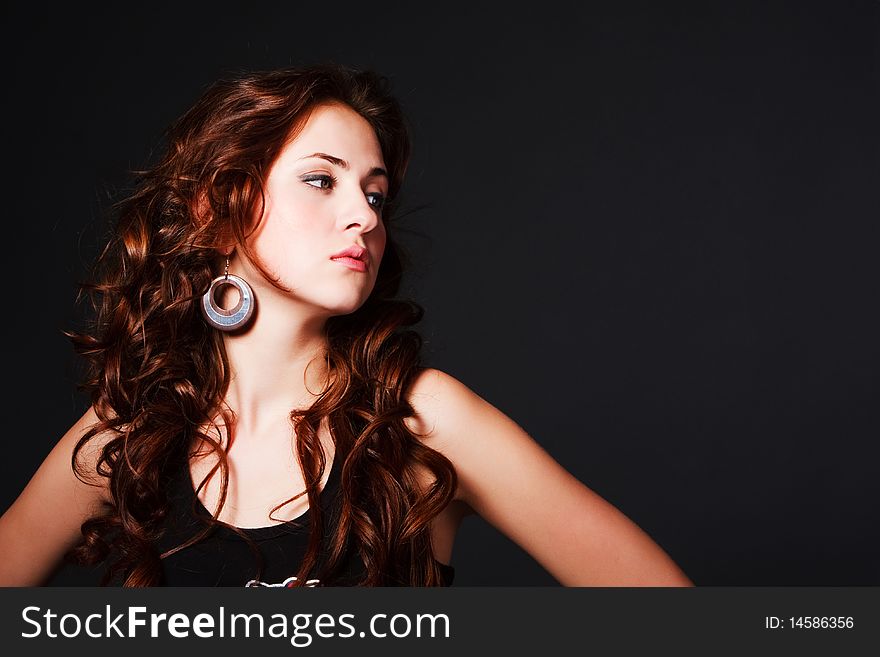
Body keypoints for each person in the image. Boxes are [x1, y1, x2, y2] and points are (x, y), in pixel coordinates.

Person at [0, 63, 693, 587]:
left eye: (375, 193)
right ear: (216, 209)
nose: (364, 215)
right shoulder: (129, 433)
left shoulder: (420, 420)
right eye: (322, 179)